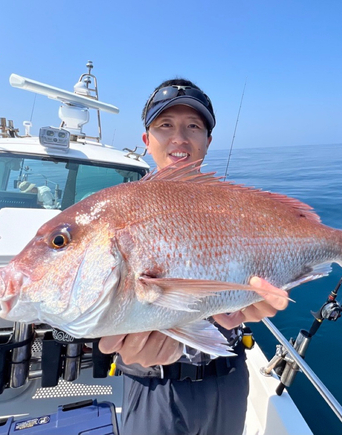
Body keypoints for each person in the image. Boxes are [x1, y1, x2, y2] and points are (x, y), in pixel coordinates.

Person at [99, 79, 288, 435]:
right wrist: (123, 342)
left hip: (226, 377)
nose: (179, 138)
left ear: (207, 141)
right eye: (165, 125)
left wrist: (258, 296)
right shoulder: (118, 212)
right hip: (152, 385)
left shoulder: (235, 209)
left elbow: (254, 279)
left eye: (193, 126)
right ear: (147, 139)